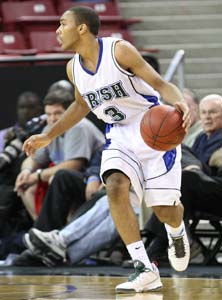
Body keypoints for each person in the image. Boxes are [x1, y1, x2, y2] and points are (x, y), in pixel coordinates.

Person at [22, 6, 191, 293]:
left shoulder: (119, 51)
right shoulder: (73, 67)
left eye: (63, 24)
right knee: (114, 186)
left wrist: (180, 102)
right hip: (119, 133)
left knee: (164, 210)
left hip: (151, 128)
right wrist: (48, 135)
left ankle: (176, 230)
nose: (57, 30)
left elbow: (159, 83)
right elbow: (80, 105)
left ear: (82, 28)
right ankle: (144, 267)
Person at [145, 94, 222, 262]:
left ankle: (156, 242)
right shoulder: (202, 138)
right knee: (177, 154)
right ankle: (165, 240)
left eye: (213, 112)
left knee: (185, 178)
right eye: (204, 113)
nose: (207, 117)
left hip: (218, 190)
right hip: (200, 187)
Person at [15, 88, 104, 221]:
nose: (52, 119)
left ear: (70, 114)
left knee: (57, 178)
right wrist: (27, 171)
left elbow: (73, 166)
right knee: (26, 187)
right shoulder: (48, 129)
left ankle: (61, 229)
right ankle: (40, 228)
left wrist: (37, 176)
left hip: (93, 177)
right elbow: (34, 158)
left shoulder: (78, 126)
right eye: (48, 114)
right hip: (70, 177)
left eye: (57, 113)